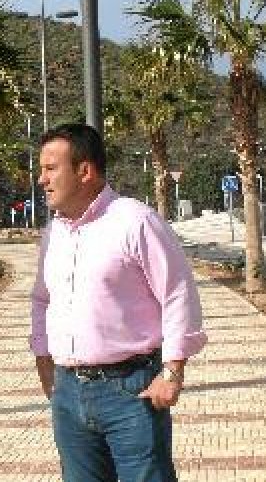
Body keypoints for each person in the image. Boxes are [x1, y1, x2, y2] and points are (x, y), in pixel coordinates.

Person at [30, 123, 207, 482]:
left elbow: (178, 294)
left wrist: (172, 373)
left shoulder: (135, 221)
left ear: (84, 171)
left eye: (50, 169)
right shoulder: (54, 233)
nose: (41, 179)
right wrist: (43, 360)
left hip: (131, 390)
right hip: (68, 393)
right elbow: (42, 299)